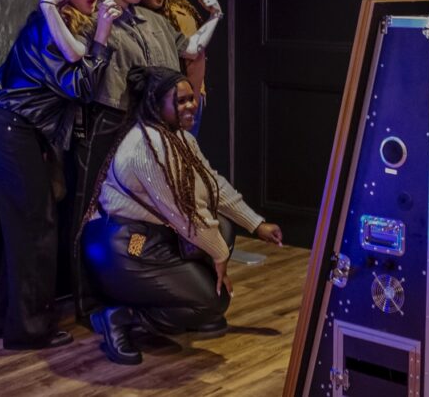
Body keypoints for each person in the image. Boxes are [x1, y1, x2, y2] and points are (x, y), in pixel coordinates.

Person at [51, 0, 224, 317]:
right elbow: (77, 66)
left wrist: (214, 19)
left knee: (149, 209)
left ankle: (136, 297)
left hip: (151, 129)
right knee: (89, 211)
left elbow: (191, 48)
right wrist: (91, 23)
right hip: (107, 121)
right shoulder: (94, 18)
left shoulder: (157, 21)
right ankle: (88, 302)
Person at [80, 66, 283, 364]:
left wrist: (256, 224)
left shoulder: (180, 138)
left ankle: (193, 308)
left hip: (153, 235)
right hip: (124, 244)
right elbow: (184, 215)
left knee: (222, 233)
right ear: (155, 104)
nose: (191, 105)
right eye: (181, 101)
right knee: (211, 299)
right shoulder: (146, 146)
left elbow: (212, 185)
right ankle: (122, 318)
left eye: (192, 99)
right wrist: (219, 257)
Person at [0, 0, 118, 350]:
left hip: (13, 129)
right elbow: (81, 87)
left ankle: (5, 319)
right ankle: (29, 330)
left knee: (25, 228)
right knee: (36, 228)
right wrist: (102, 36)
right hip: (8, 128)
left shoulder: (63, 25)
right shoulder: (47, 24)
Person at [141, 0, 208, 135]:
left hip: (184, 97)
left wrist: (189, 102)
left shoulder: (178, 15)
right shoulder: (136, 13)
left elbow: (196, 57)